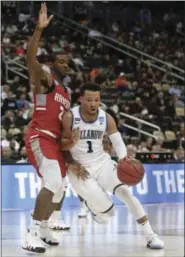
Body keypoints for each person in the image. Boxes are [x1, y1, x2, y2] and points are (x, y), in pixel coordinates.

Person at [61, 82, 164, 249]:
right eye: (89, 100)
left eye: (96, 99)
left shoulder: (106, 117)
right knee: (109, 212)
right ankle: (93, 206)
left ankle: (150, 236)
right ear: (81, 99)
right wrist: (71, 162)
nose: (93, 104)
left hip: (102, 162)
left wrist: (124, 159)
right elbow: (61, 144)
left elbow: (118, 142)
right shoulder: (70, 117)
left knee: (126, 194)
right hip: (79, 168)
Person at [22, 3, 72, 253]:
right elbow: (30, 59)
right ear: (52, 63)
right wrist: (38, 30)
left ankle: (43, 229)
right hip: (40, 136)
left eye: (67, 63)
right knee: (52, 181)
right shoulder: (45, 80)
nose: (65, 65)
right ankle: (30, 233)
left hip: (56, 142)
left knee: (61, 186)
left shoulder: (66, 92)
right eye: (61, 61)